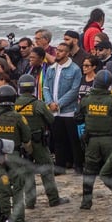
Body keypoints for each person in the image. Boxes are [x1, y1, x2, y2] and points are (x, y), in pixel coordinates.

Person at [14, 74, 70, 209]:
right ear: (33, 87)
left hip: (23, 143)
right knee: (47, 169)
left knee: (27, 171)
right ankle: (53, 198)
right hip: (38, 141)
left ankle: (30, 202)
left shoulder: (15, 104)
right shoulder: (38, 104)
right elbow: (51, 119)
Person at [0, 85, 33, 222]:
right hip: (14, 155)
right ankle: (18, 220)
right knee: (17, 188)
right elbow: (26, 136)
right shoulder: (18, 117)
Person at [76, 69, 112, 210]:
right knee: (110, 170)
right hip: (109, 140)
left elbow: (78, 118)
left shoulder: (86, 100)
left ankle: (86, 202)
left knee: (89, 171)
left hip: (91, 140)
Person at [43, 42, 83, 175]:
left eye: (61, 51)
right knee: (58, 139)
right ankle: (60, 166)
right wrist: (49, 102)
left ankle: (77, 164)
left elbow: (74, 90)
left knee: (73, 139)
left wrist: (59, 103)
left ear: (67, 53)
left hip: (69, 110)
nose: (57, 53)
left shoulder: (75, 69)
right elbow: (46, 87)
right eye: (57, 50)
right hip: (54, 111)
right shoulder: (51, 68)